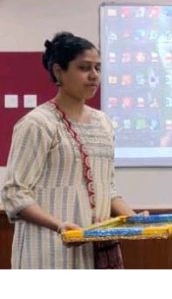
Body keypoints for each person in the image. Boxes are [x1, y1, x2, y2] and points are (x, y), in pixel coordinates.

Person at [1, 32, 141, 269]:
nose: (94, 75)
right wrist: (59, 225)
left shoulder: (103, 122)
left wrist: (135, 219)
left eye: (98, 68)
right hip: (49, 250)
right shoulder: (37, 123)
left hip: (97, 250)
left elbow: (107, 187)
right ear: (58, 72)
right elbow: (14, 193)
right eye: (84, 68)